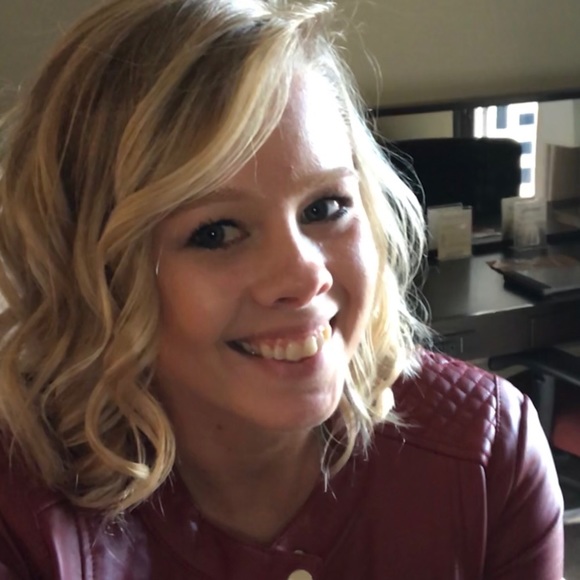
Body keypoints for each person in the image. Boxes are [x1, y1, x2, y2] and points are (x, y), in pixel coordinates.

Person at [0, 0, 563, 578]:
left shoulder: (488, 452)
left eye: (326, 207)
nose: (305, 276)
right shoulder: (21, 519)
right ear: (92, 273)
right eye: (216, 232)